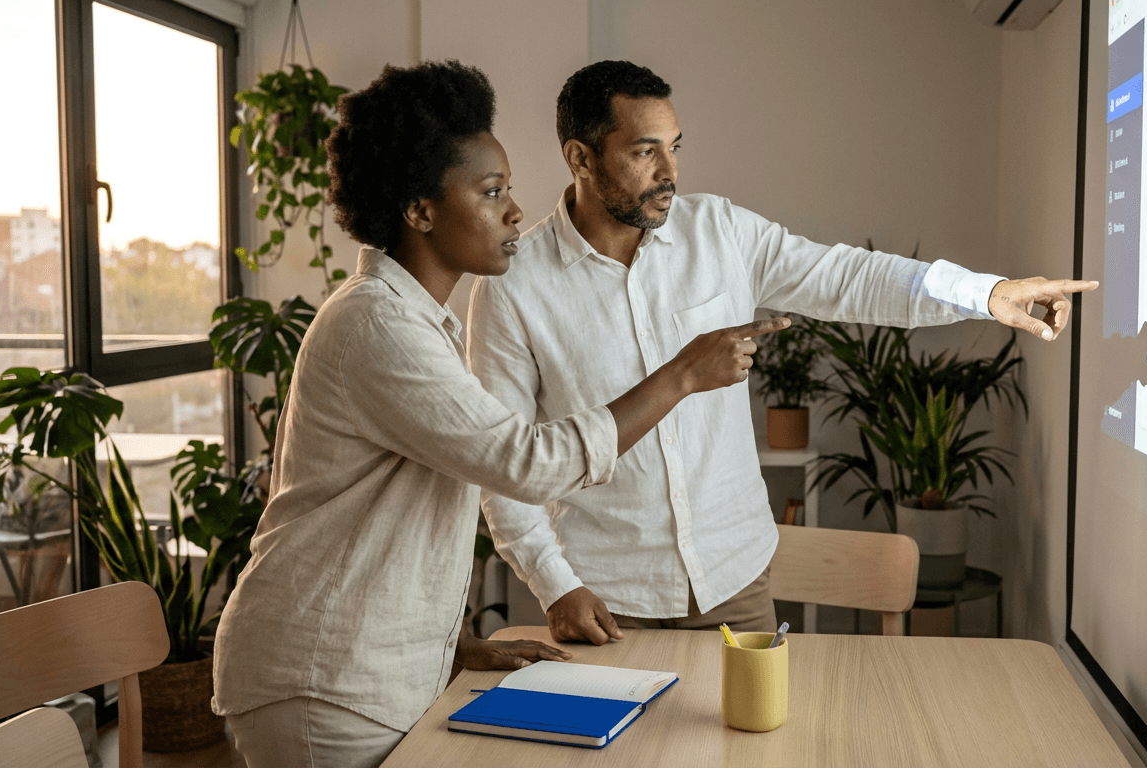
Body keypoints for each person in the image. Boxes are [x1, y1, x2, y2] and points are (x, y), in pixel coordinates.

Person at [211, 60, 787, 768]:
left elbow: (374, 518)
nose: (516, 211)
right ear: (419, 211)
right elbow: (526, 463)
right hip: (321, 684)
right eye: (491, 192)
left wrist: (448, 642)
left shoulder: (418, 323)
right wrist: (679, 376)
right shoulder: (377, 327)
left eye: (509, 188)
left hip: (363, 669)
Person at [467, 60, 1098, 644]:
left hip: (735, 581)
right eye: (644, 151)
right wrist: (556, 585)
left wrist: (985, 293)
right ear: (580, 157)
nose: (670, 172)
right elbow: (503, 463)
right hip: (603, 596)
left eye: (675, 147)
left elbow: (848, 277)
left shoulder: (719, 232)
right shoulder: (513, 285)